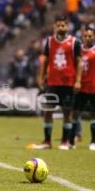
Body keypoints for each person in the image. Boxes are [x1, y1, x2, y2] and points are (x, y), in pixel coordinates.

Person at [28, 15, 82, 150]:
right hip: (52, 83)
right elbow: (44, 60)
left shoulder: (75, 42)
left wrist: (78, 81)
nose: (61, 27)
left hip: (68, 83)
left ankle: (64, 142)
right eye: (58, 25)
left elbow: (79, 63)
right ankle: (47, 141)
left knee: (67, 113)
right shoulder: (49, 42)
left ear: (67, 27)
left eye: (63, 25)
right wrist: (40, 77)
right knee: (47, 111)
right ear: (54, 26)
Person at [69, 26, 95, 151]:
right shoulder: (77, 51)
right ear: (82, 36)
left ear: (93, 37)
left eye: (90, 36)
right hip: (80, 87)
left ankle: (93, 141)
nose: (88, 38)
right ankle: (71, 141)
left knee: (93, 115)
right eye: (85, 36)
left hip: (93, 87)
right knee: (75, 113)